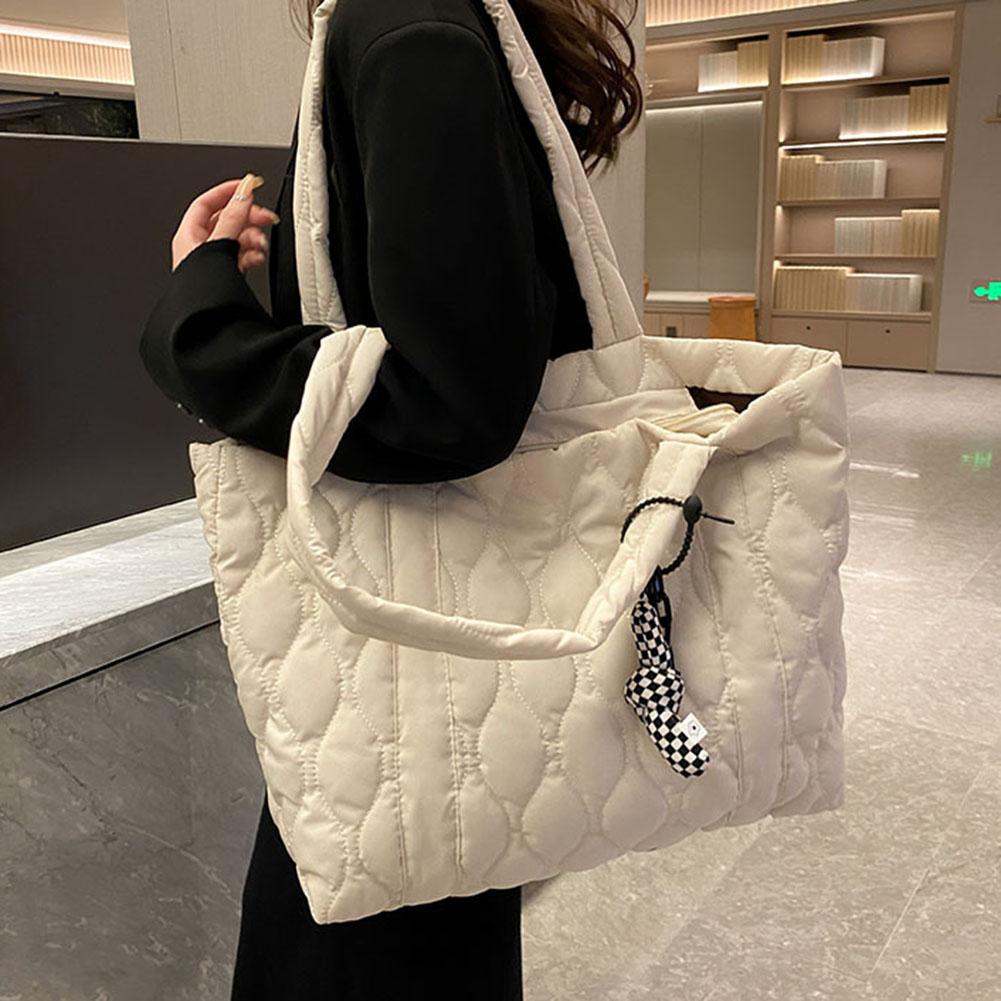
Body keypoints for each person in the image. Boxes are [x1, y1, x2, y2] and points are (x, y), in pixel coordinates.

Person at [137, 0, 642, 997]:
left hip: (404, 669)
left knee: (362, 942)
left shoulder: (405, 28)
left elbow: (446, 401)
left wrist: (198, 322)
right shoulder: (419, 25)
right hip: (431, 653)